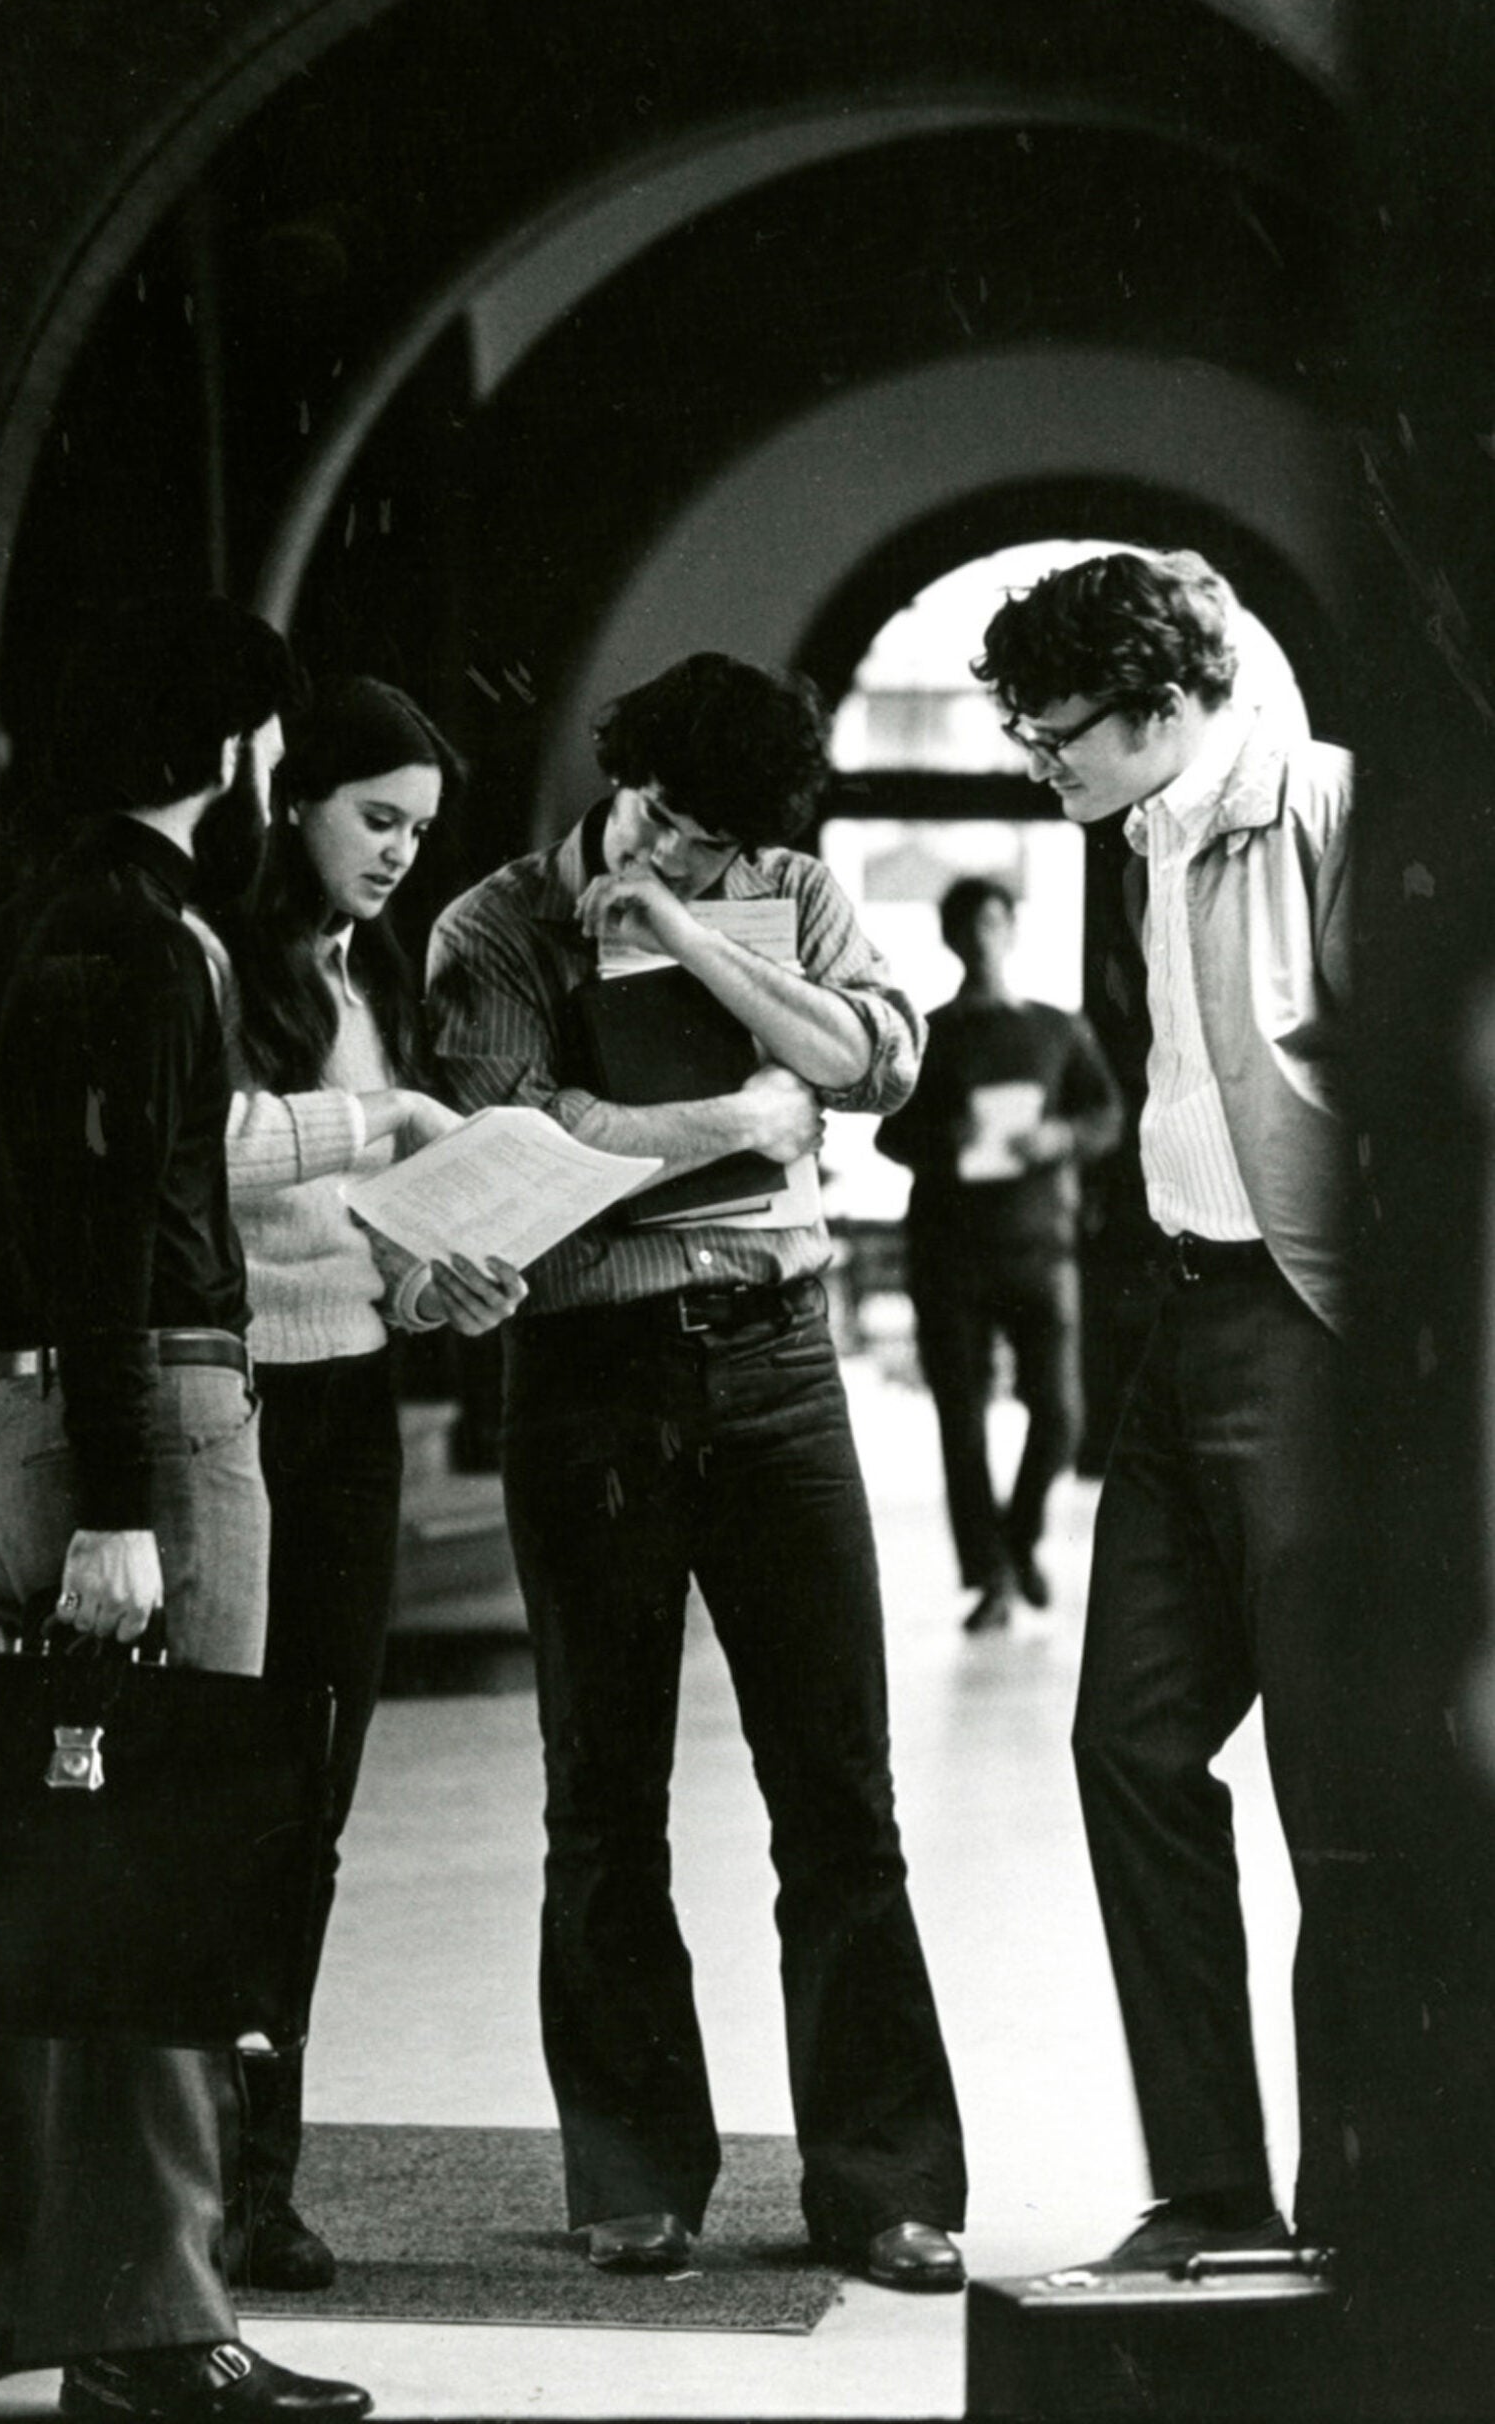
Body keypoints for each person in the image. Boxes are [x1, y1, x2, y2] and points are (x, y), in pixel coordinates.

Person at [0, 597, 372, 2423]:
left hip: (30, 1415)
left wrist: (28, 1399)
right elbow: (109, 1231)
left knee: (45, 1857)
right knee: (175, 1869)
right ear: (238, 759)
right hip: (146, 1426)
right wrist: (113, 1483)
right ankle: (158, 2325)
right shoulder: (152, 946)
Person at [426, 650, 969, 2291]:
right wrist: (737, 1126)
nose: (736, 871)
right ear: (635, 794)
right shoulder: (497, 926)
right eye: (700, 844)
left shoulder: (789, 887)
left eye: (749, 851)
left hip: (777, 1365)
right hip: (588, 1382)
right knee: (604, 1800)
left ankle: (879, 2188)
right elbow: (520, 1142)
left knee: (840, 1792)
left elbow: (879, 1067)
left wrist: (688, 944)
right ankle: (631, 2179)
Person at [971, 549, 1353, 2269]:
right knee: (1124, 1744)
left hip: (1314, 1329)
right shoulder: (1141, 836)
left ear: (1165, 702)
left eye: (1058, 736)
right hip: (1184, 1322)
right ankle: (1209, 2195)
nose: (1040, 767)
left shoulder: (1322, 809)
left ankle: (1366, 2212)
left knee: (1338, 1786)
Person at [198, 675, 526, 2289]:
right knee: (208, 1797)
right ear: (295, 803)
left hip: (347, 1402)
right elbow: (203, 1145)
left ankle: (259, 2182)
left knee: (312, 1807)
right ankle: (160, 2173)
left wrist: (441, 1284)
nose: (400, 855)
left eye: (419, 831)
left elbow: (376, 1224)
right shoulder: (211, 950)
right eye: (375, 819)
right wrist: (379, 1116)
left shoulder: (368, 965)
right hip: (223, 1401)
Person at [875, 877, 1123, 1633]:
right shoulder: (928, 1033)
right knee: (962, 1419)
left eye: (994, 920)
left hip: (1040, 1246)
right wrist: (940, 1143)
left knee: (1060, 1413)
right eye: (969, 923)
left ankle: (1016, 1546)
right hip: (949, 1252)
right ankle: (988, 1579)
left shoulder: (1057, 1029)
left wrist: (1060, 1138)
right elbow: (888, 1133)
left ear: (1012, 930)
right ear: (950, 937)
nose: (983, 935)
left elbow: (1105, 1113)